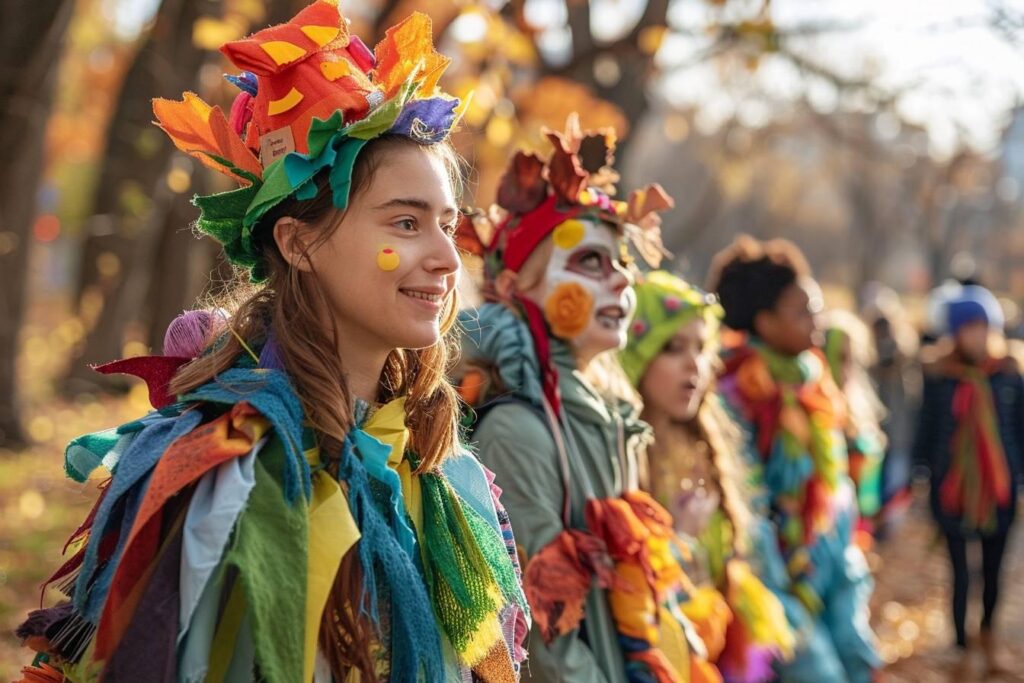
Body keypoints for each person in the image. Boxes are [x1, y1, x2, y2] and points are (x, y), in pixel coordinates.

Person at [15, 3, 527, 680]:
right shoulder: (223, 466)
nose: (445, 257)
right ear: (298, 241)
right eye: (405, 223)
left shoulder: (433, 463)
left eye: (447, 224)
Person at [455, 116, 720, 682]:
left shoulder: (613, 418)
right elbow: (548, 636)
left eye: (621, 262)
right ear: (513, 288)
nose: (623, 281)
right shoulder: (518, 431)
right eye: (591, 263)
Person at [707, 235, 880, 683]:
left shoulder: (814, 383)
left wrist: (843, 567)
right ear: (764, 322)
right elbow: (747, 504)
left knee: (858, 662)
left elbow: (834, 483)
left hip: (831, 565)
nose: (817, 322)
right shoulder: (734, 394)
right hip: (771, 580)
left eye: (816, 308)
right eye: (802, 312)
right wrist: (782, 596)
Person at [620, 270, 795, 683]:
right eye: (672, 348)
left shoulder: (705, 440)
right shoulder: (627, 453)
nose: (693, 364)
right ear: (635, 355)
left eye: (701, 348)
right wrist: (679, 536)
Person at [913, 284, 1021, 675]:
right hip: (951, 490)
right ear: (954, 333)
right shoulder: (941, 378)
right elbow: (925, 431)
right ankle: (959, 642)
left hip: (1000, 490)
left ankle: (988, 632)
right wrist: (919, 476)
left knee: (994, 569)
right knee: (960, 569)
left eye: (982, 327)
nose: (976, 335)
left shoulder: (1009, 376)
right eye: (968, 328)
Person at [821, 309, 887, 541]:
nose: (848, 368)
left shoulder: (859, 409)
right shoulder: (817, 409)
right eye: (840, 357)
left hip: (856, 528)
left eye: (852, 358)